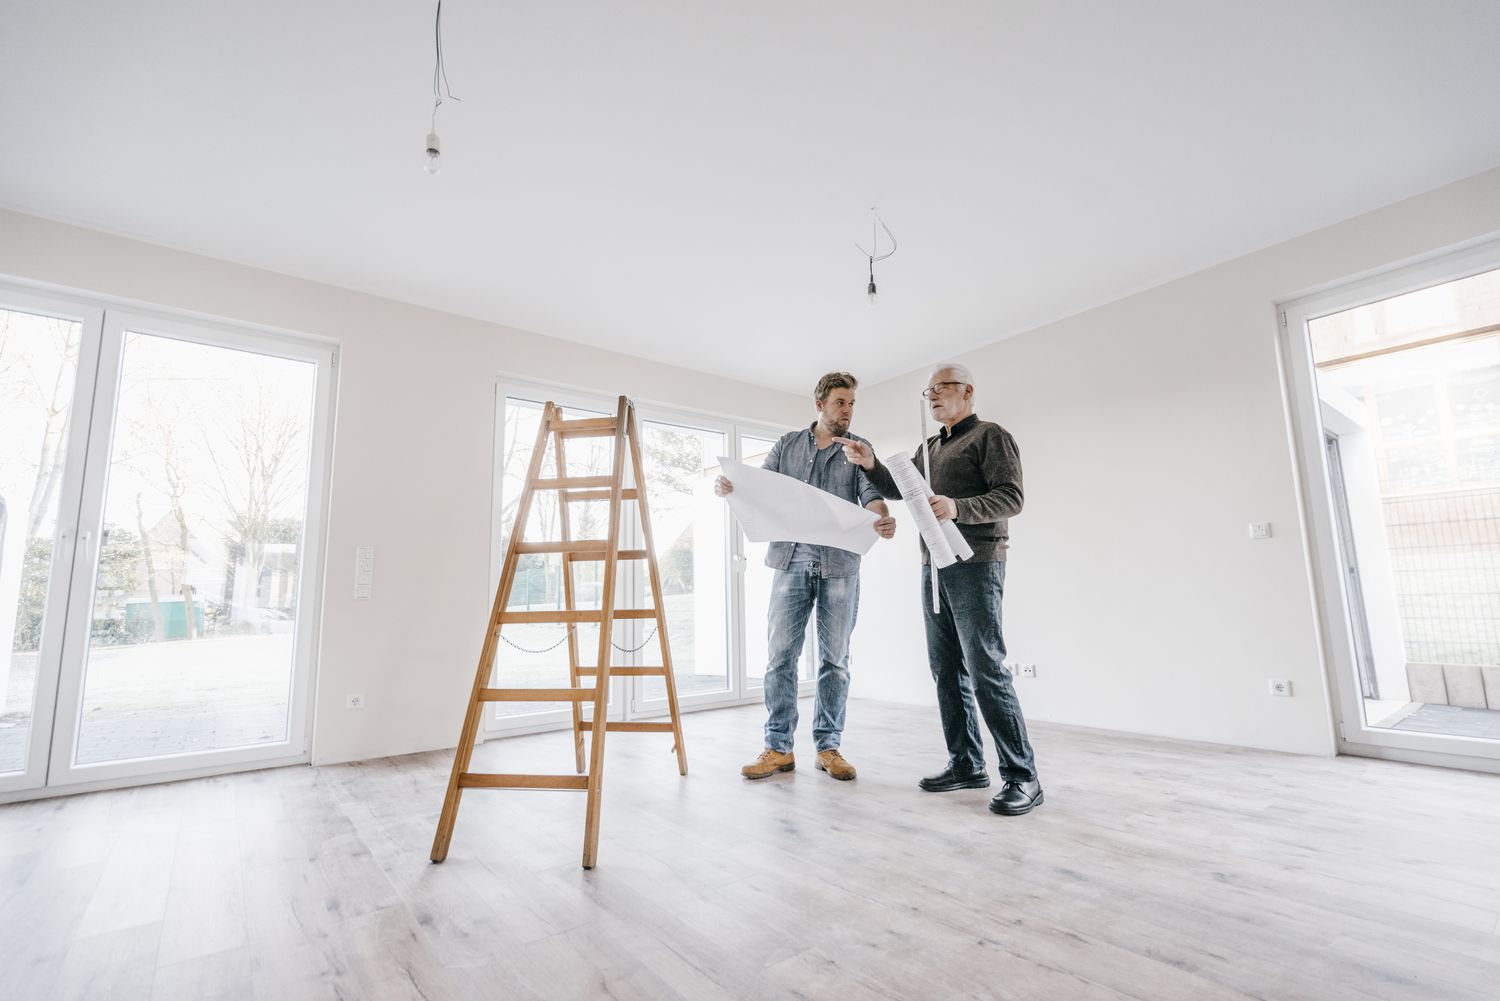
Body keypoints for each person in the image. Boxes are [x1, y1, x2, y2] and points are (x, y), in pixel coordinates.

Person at [837, 363, 1042, 815]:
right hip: (933, 565)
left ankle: (1022, 776)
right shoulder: (928, 448)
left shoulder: (991, 436)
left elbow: (1012, 497)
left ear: (967, 391)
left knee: (985, 667)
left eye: (942, 388)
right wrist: (869, 462)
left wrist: (957, 506)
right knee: (946, 669)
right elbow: (898, 487)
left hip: (976, 563)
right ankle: (966, 763)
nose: (932, 396)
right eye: (928, 391)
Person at [715, 372, 896, 782]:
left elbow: (872, 497)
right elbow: (760, 489)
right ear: (820, 404)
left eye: (851, 404)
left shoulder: (858, 450)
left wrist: (881, 519)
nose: (847, 410)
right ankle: (777, 749)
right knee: (781, 658)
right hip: (789, 564)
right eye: (839, 403)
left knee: (835, 661)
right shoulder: (788, 445)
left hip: (840, 567)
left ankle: (828, 748)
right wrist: (731, 488)